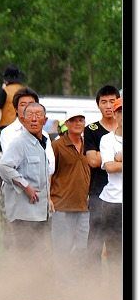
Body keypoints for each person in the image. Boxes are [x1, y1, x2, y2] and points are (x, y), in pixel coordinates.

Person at [0, 102, 52, 256]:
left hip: (40, 212)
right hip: (24, 213)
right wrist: (25, 186)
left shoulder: (43, 143)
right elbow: (3, 166)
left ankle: (34, 280)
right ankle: (21, 280)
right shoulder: (19, 142)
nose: (34, 119)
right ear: (22, 120)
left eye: (38, 115)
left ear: (45, 120)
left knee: (38, 254)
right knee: (25, 254)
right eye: (30, 115)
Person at [49, 110, 90, 283]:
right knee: (61, 249)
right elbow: (49, 172)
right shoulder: (57, 145)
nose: (78, 123)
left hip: (83, 206)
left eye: (81, 120)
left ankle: (76, 284)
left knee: (81, 248)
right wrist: (49, 198)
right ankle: (61, 286)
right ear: (67, 122)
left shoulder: (89, 144)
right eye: (74, 120)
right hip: (61, 204)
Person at [84, 85, 121, 270]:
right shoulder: (92, 129)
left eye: (112, 101)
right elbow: (92, 161)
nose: (108, 105)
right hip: (99, 189)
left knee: (117, 241)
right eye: (104, 102)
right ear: (98, 105)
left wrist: (107, 156)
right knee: (96, 237)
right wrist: (111, 157)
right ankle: (92, 282)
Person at [95, 96, 122, 285]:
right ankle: (115, 291)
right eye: (120, 111)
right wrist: (116, 160)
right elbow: (110, 167)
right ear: (116, 114)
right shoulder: (106, 139)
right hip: (113, 201)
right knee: (114, 249)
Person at [0, 65, 27, 133]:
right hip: (23, 128)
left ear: (5, 79)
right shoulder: (26, 91)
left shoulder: (5, 91)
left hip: (7, 128)